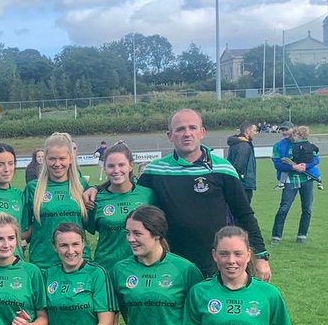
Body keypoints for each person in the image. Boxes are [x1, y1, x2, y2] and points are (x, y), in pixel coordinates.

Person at [138, 109, 271, 280]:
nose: (187, 134)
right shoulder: (155, 171)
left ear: (202, 133)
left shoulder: (223, 169)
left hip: (213, 264)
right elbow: (132, 201)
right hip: (168, 264)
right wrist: (96, 189)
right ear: (170, 135)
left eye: (193, 128)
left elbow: (244, 214)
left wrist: (261, 256)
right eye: (180, 129)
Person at [24, 132, 91, 270]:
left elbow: (92, 225)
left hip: (78, 261)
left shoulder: (82, 186)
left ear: (70, 159)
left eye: (62, 158)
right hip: (43, 263)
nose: (57, 164)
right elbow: (25, 228)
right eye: (52, 159)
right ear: (45, 159)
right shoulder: (33, 188)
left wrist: (96, 189)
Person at [88, 143, 153, 275]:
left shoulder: (148, 195)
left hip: (141, 268)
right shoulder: (95, 199)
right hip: (107, 268)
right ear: (105, 168)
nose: (116, 170)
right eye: (111, 166)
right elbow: (89, 229)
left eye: (121, 165)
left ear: (130, 166)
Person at [271, 124, 321, 245]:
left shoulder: (306, 143)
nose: (284, 132)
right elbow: (277, 164)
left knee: (307, 209)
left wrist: (305, 166)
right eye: (282, 130)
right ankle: (276, 236)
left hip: (306, 180)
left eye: (286, 129)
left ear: (294, 130)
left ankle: (302, 236)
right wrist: (293, 167)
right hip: (289, 180)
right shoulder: (278, 146)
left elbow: (316, 159)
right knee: (284, 208)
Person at [226, 123, 259, 204]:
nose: (256, 133)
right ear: (247, 131)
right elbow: (239, 166)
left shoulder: (235, 143)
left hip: (237, 183)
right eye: (254, 131)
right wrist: (242, 179)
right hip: (243, 185)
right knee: (243, 211)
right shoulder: (244, 146)